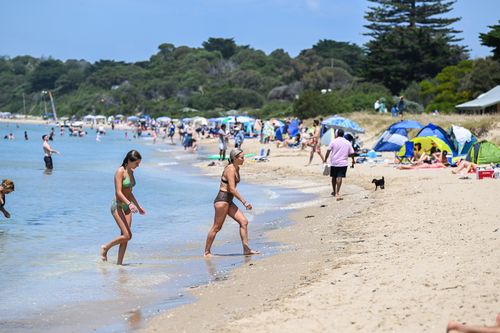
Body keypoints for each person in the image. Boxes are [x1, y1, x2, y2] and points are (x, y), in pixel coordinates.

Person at [204, 149, 259, 257]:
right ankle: (207, 252)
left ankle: (246, 249)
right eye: (241, 157)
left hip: (229, 200)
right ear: (234, 158)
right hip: (222, 200)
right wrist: (245, 202)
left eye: (244, 157)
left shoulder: (236, 168)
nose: (244, 159)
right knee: (217, 227)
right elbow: (232, 189)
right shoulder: (230, 169)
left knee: (244, 222)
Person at [100, 150, 146, 265]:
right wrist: (130, 204)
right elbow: (119, 192)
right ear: (129, 161)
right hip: (118, 206)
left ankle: (119, 264)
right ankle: (105, 247)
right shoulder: (120, 172)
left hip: (127, 207)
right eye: (136, 163)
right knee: (127, 235)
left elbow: (129, 192)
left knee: (125, 237)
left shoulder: (131, 172)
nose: (138, 166)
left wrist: (138, 206)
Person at [324, 129, 355, 200]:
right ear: (343, 134)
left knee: (333, 177)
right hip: (343, 163)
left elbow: (328, 151)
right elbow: (352, 153)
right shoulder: (347, 142)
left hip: (334, 162)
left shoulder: (333, 141)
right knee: (339, 176)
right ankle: (338, 192)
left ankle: (334, 191)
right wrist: (353, 160)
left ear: (336, 134)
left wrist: (325, 160)